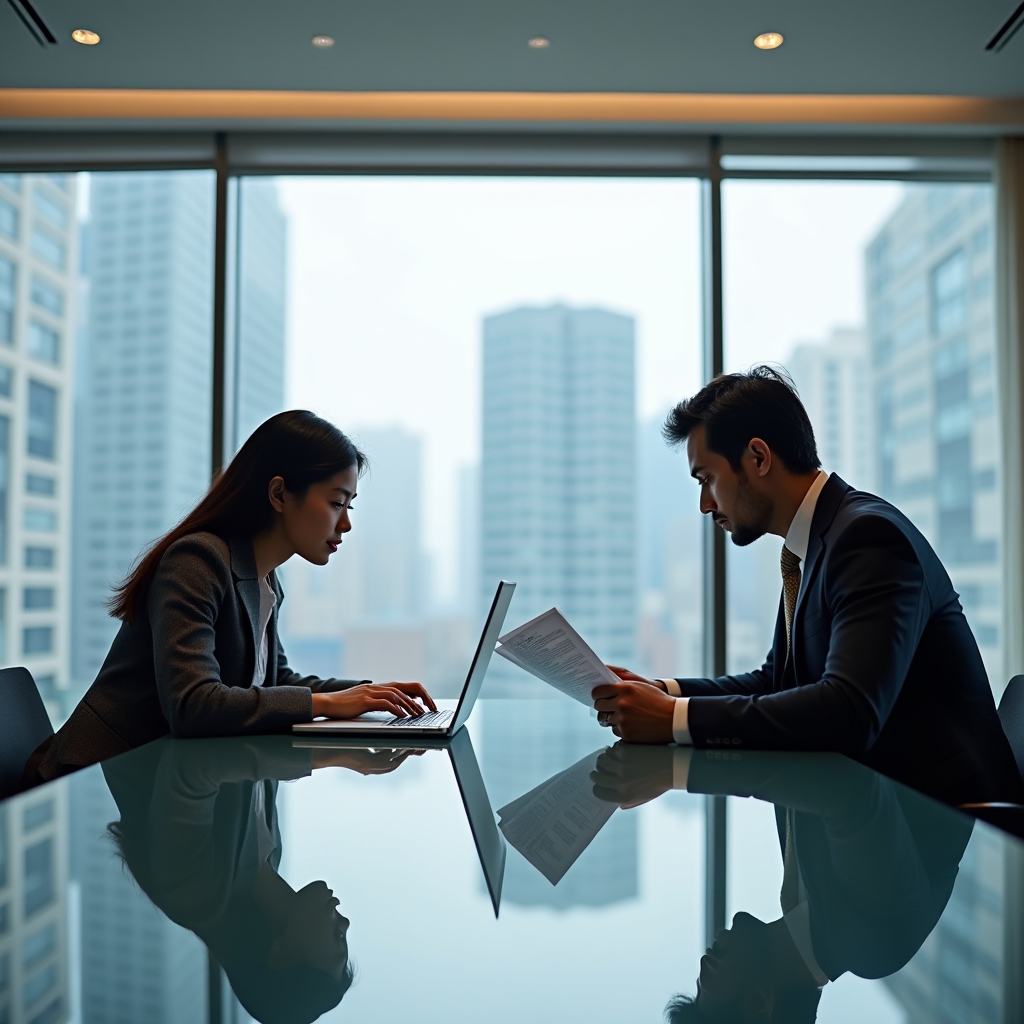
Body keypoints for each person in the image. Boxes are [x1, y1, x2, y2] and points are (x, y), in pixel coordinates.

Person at [591, 367, 1023, 807]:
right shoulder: (813, 545)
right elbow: (776, 680)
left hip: (951, 830)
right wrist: (664, 693)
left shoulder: (867, 538)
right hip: (872, 811)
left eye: (706, 479)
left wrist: (673, 720)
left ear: (758, 458)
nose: (705, 504)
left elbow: (849, 711)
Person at [25, 410, 435, 785]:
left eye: (350, 506)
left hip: (174, 782)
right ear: (278, 494)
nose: (345, 524)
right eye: (335, 503)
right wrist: (328, 702)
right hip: (95, 781)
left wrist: (368, 696)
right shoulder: (197, 561)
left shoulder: (265, 578)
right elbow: (193, 705)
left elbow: (275, 682)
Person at [590, 743, 974, 1024]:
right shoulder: (866, 945)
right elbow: (847, 784)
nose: (709, 953)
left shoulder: (801, 898)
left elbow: (788, 734)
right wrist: (676, 771)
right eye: (709, 977)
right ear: (758, 1002)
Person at [101, 735, 421, 1024]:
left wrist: (329, 756)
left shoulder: (195, 893)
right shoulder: (271, 851)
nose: (345, 925)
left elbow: (192, 762)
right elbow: (259, 718)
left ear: (281, 954)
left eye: (337, 943)